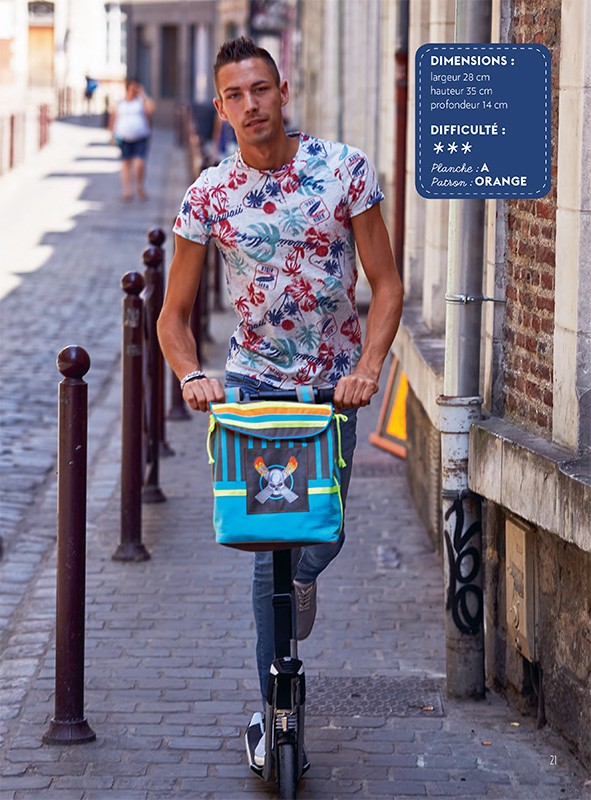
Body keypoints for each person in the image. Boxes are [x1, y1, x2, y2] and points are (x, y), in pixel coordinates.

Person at [157, 36, 403, 763]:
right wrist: (189, 375)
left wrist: (368, 366)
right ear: (221, 106)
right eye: (235, 94)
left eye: (260, 89)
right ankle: (273, 712)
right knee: (267, 552)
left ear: (283, 90)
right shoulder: (209, 194)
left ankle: (303, 580)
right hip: (256, 391)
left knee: (321, 539)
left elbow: (385, 284)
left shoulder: (343, 170)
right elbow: (170, 315)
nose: (250, 104)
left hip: (333, 390)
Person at [109, 78, 154, 201]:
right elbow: (113, 118)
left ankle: (140, 186)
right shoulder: (120, 103)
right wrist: (111, 134)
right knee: (126, 164)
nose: (134, 91)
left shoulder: (141, 101)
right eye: (132, 88)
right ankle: (127, 190)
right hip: (124, 137)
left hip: (141, 137)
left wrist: (143, 94)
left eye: (136, 88)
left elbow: (151, 109)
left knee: (139, 163)